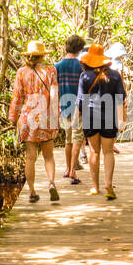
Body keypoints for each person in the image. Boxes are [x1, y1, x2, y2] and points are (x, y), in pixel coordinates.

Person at [8, 40, 61, 203]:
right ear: (42, 55)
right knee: (49, 155)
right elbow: (54, 96)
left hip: (27, 118)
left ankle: (32, 192)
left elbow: (17, 97)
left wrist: (12, 118)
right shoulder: (51, 71)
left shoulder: (21, 73)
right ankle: (51, 183)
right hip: (45, 117)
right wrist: (56, 117)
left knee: (30, 157)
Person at [78, 43, 126, 200]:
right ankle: (109, 185)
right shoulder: (115, 75)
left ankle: (95, 186)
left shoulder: (85, 76)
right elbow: (120, 100)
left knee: (94, 151)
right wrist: (120, 121)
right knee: (108, 152)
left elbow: (80, 102)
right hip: (109, 116)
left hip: (90, 116)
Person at [55, 35, 86, 185]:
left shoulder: (57, 66)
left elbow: (55, 88)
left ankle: (67, 169)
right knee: (77, 139)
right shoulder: (82, 65)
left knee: (68, 140)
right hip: (79, 108)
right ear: (79, 48)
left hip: (64, 106)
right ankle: (73, 171)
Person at [104, 42, 128, 150]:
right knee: (119, 119)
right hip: (117, 93)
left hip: (107, 93)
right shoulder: (118, 64)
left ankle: (109, 143)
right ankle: (111, 143)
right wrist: (124, 95)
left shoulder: (106, 63)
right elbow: (121, 80)